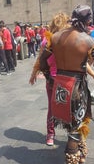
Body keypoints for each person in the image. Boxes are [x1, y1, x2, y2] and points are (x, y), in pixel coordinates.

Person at [45, 5, 94, 164]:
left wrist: (51, 79)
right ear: (88, 20)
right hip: (76, 89)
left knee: (75, 124)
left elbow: (42, 63)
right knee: (75, 128)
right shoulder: (88, 40)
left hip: (59, 86)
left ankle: (81, 159)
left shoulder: (55, 37)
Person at [29, 12, 71, 146]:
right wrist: (35, 72)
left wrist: (35, 72)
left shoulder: (67, 40)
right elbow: (40, 59)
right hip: (58, 80)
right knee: (61, 107)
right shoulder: (49, 41)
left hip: (60, 80)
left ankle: (53, 134)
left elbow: (39, 59)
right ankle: (54, 134)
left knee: (57, 107)